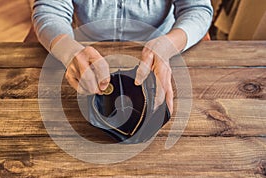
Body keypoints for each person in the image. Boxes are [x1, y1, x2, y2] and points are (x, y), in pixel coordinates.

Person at [32, 0, 213, 114]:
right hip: (86, 58)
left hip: (159, 59)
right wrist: (69, 51)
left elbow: (197, 9)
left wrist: (168, 45)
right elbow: (49, 10)